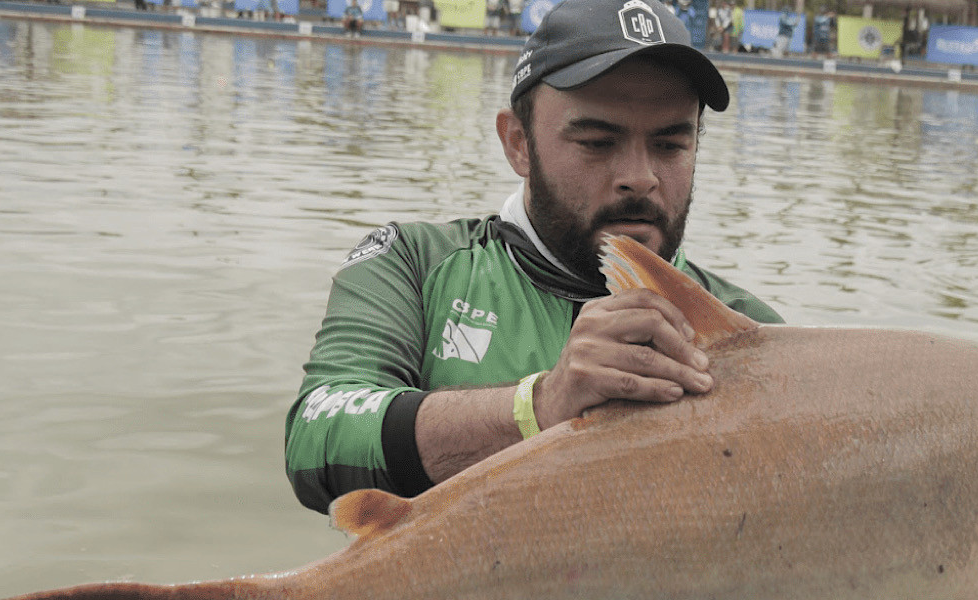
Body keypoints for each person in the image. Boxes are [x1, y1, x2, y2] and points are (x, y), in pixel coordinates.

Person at [285, 0, 783, 512]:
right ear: (518, 143)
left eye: (670, 145)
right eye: (597, 141)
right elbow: (315, 439)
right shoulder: (412, 263)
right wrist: (538, 407)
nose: (641, 175)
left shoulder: (752, 328)